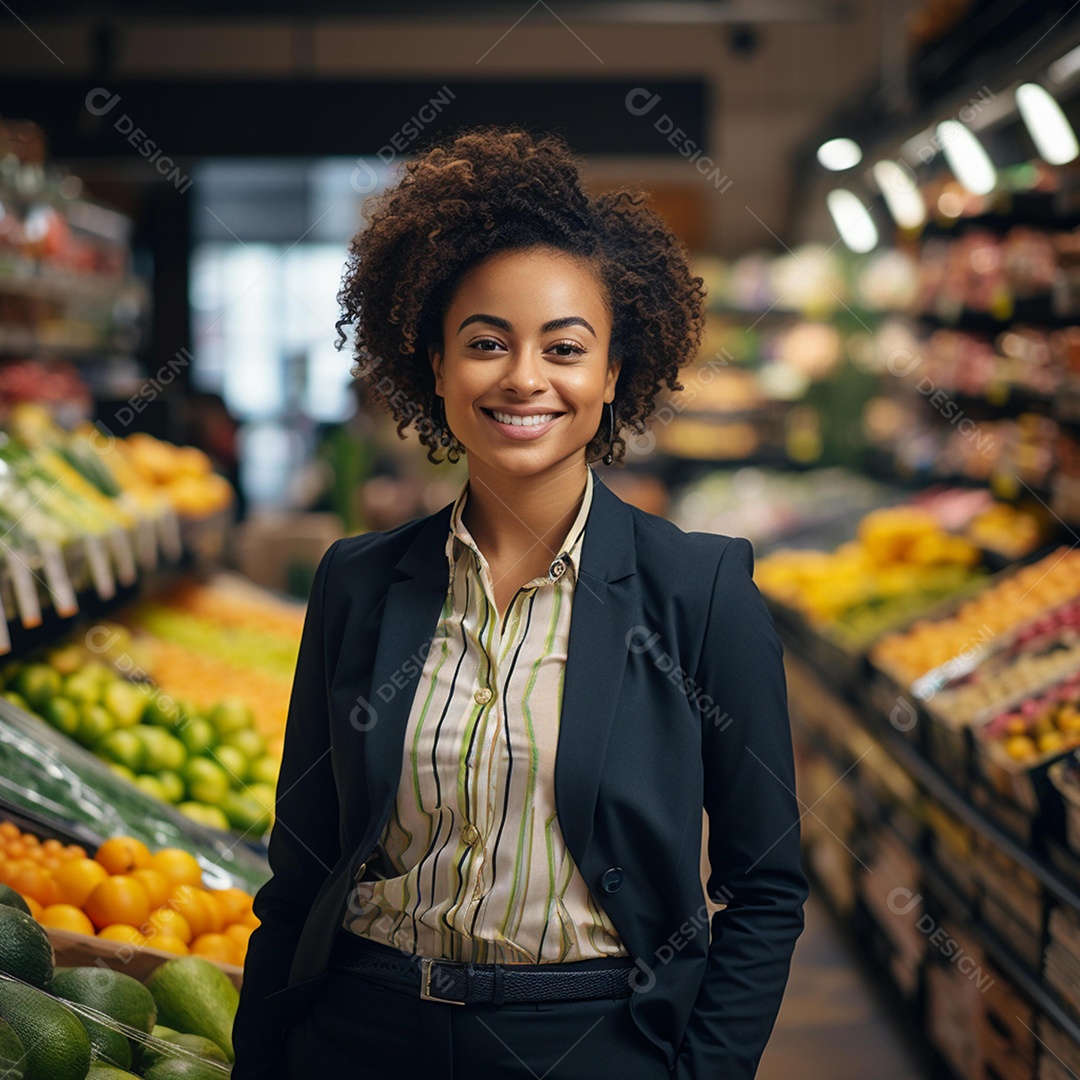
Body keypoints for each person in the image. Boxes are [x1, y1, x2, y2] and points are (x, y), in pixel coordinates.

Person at [231, 124, 808, 1080]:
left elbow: (765, 887)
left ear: (614, 373)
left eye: (565, 347)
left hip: (589, 1042)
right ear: (435, 366)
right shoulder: (358, 582)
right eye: (486, 342)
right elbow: (299, 871)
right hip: (363, 1034)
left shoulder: (700, 591)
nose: (524, 377)